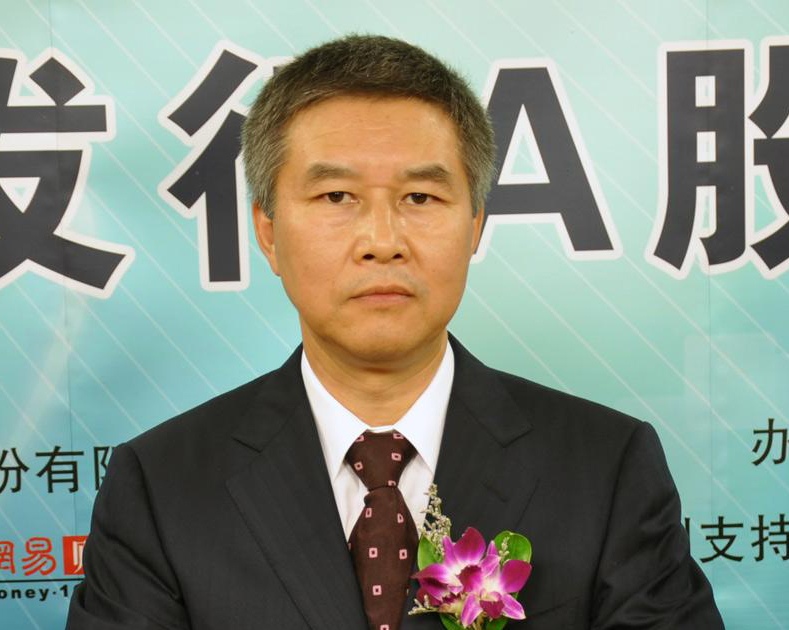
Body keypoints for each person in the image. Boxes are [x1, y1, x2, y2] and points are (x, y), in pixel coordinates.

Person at [66, 35, 725, 630]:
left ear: (474, 225)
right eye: (336, 197)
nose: (382, 241)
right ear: (267, 230)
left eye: (420, 198)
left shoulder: (604, 468)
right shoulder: (162, 486)